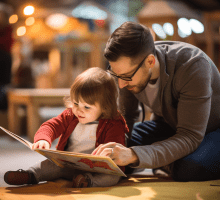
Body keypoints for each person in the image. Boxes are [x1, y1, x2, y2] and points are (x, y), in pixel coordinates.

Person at [92, 21, 220, 182]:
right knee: (109, 150)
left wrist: (133, 155)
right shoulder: (129, 66)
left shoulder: (193, 65)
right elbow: (127, 118)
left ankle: (169, 160)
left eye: (126, 77)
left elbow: (190, 136)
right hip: (169, 125)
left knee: (188, 169)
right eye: (116, 75)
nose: (121, 84)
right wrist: (114, 147)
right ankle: (163, 158)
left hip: (211, 130)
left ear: (150, 62)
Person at [4, 67, 129, 188]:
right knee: (50, 165)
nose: (79, 110)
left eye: (87, 107)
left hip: (96, 170)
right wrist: (43, 139)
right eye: (76, 103)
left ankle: (88, 181)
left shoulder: (113, 123)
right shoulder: (70, 115)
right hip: (67, 165)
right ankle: (30, 175)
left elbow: (115, 147)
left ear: (105, 107)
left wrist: (110, 155)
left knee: (112, 177)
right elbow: (51, 125)